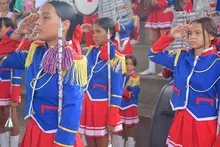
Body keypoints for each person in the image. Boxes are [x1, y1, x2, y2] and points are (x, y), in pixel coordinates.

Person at [0, 1, 87, 147]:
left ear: (65, 25)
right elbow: (4, 60)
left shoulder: (72, 60)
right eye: (38, 17)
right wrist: (18, 34)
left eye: (45, 17)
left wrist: (63, 142)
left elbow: (73, 107)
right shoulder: (36, 52)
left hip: (56, 135)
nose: (38, 22)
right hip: (34, 129)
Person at [148, 16, 219, 147]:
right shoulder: (181, 57)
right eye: (190, 33)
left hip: (204, 123)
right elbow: (153, 54)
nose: (192, 37)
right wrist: (171, 35)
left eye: (198, 33)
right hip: (180, 118)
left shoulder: (217, 63)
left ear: (211, 36)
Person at [79, 17, 125, 147]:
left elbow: (116, 91)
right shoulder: (89, 53)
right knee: (89, 142)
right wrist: (80, 33)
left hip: (103, 106)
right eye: (93, 32)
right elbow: (71, 52)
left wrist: (112, 117)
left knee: (102, 141)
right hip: (86, 104)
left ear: (109, 33)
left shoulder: (116, 58)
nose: (94, 36)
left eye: (98, 32)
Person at [0, 17, 22, 147]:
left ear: (9, 28)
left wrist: (15, 91)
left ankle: (13, 145)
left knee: (11, 118)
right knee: (1, 120)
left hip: (10, 84)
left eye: (0, 27)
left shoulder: (13, 41)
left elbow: (17, 69)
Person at [113, 55, 140, 147]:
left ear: (134, 67)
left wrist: (119, 89)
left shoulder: (134, 78)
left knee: (129, 129)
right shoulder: (119, 76)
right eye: (126, 63)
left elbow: (131, 95)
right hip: (119, 106)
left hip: (129, 107)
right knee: (119, 129)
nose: (128, 66)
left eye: (131, 64)